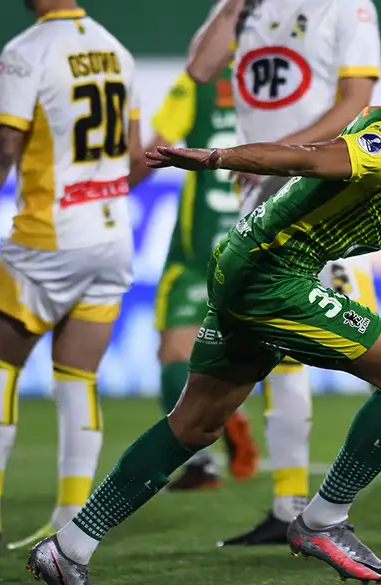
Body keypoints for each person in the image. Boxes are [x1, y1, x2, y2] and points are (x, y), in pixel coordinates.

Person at [26, 39, 381, 585]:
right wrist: (217, 158)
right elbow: (309, 158)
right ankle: (323, 521)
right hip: (272, 274)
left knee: (194, 424)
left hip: (248, 263)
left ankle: (68, 548)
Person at [186, 0, 381, 545]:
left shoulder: (347, 8)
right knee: (276, 349)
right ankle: (287, 504)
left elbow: (355, 103)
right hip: (263, 193)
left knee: (371, 343)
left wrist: (282, 156)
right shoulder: (244, 8)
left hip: (324, 197)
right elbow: (199, 69)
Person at [0, 0, 142, 550]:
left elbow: (6, 143)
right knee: (78, 378)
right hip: (112, 235)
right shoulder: (118, 50)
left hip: (48, 235)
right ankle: (71, 518)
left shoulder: (27, 51)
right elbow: (138, 153)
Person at [129, 65, 260, 491]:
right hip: (256, 241)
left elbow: (154, 152)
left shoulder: (199, 81)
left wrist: (108, 190)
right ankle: (230, 419)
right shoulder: (281, 76)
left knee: (174, 353)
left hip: (198, 250)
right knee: (244, 354)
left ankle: (203, 459)